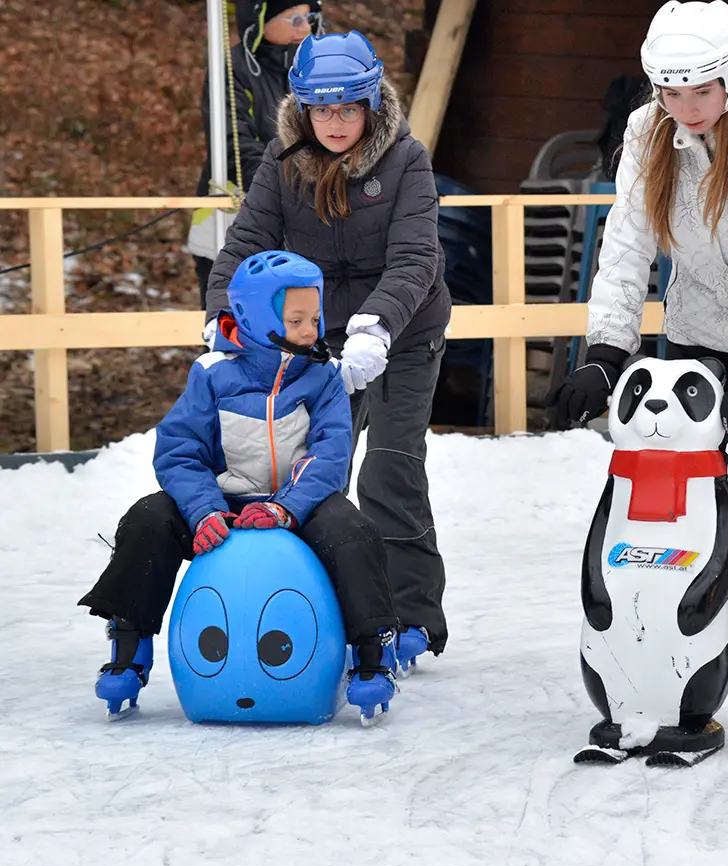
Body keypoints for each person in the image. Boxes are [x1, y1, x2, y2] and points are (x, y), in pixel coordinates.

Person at [546, 0, 728, 736]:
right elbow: (623, 251)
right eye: (670, 94)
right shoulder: (648, 133)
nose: (686, 109)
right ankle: (659, 664)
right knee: (668, 501)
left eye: (699, 93)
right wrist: (604, 355)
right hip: (699, 328)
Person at [204, 31, 452, 671]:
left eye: (348, 109)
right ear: (304, 109)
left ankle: (412, 615)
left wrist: (377, 327)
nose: (335, 123)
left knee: (390, 469)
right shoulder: (282, 164)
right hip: (315, 339)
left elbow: (417, 257)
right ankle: (323, 607)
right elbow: (243, 245)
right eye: (322, 110)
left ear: (371, 105)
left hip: (402, 334)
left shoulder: (405, 161)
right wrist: (220, 317)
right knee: (316, 478)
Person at [80, 251, 399, 722]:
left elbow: (331, 455)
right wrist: (204, 511)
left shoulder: (323, 377)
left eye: (316, 317)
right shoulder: (212, 374)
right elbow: (179, 451)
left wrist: (285, 508)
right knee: (148, 518)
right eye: (297, 320)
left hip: (297, 507)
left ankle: (373, 653)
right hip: (222, 507)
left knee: (351, 531)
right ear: (257, 318)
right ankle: (129, 643)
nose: (312, 330)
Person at [187, 2, 322, 301]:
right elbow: (234, 144)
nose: (305, 27)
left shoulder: (321, 69)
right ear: (260, 22)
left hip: (308, 222)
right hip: (235, 221)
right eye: (295, 19)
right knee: (234, 323)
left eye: (310, 18)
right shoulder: (235, 68)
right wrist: (295, 186)